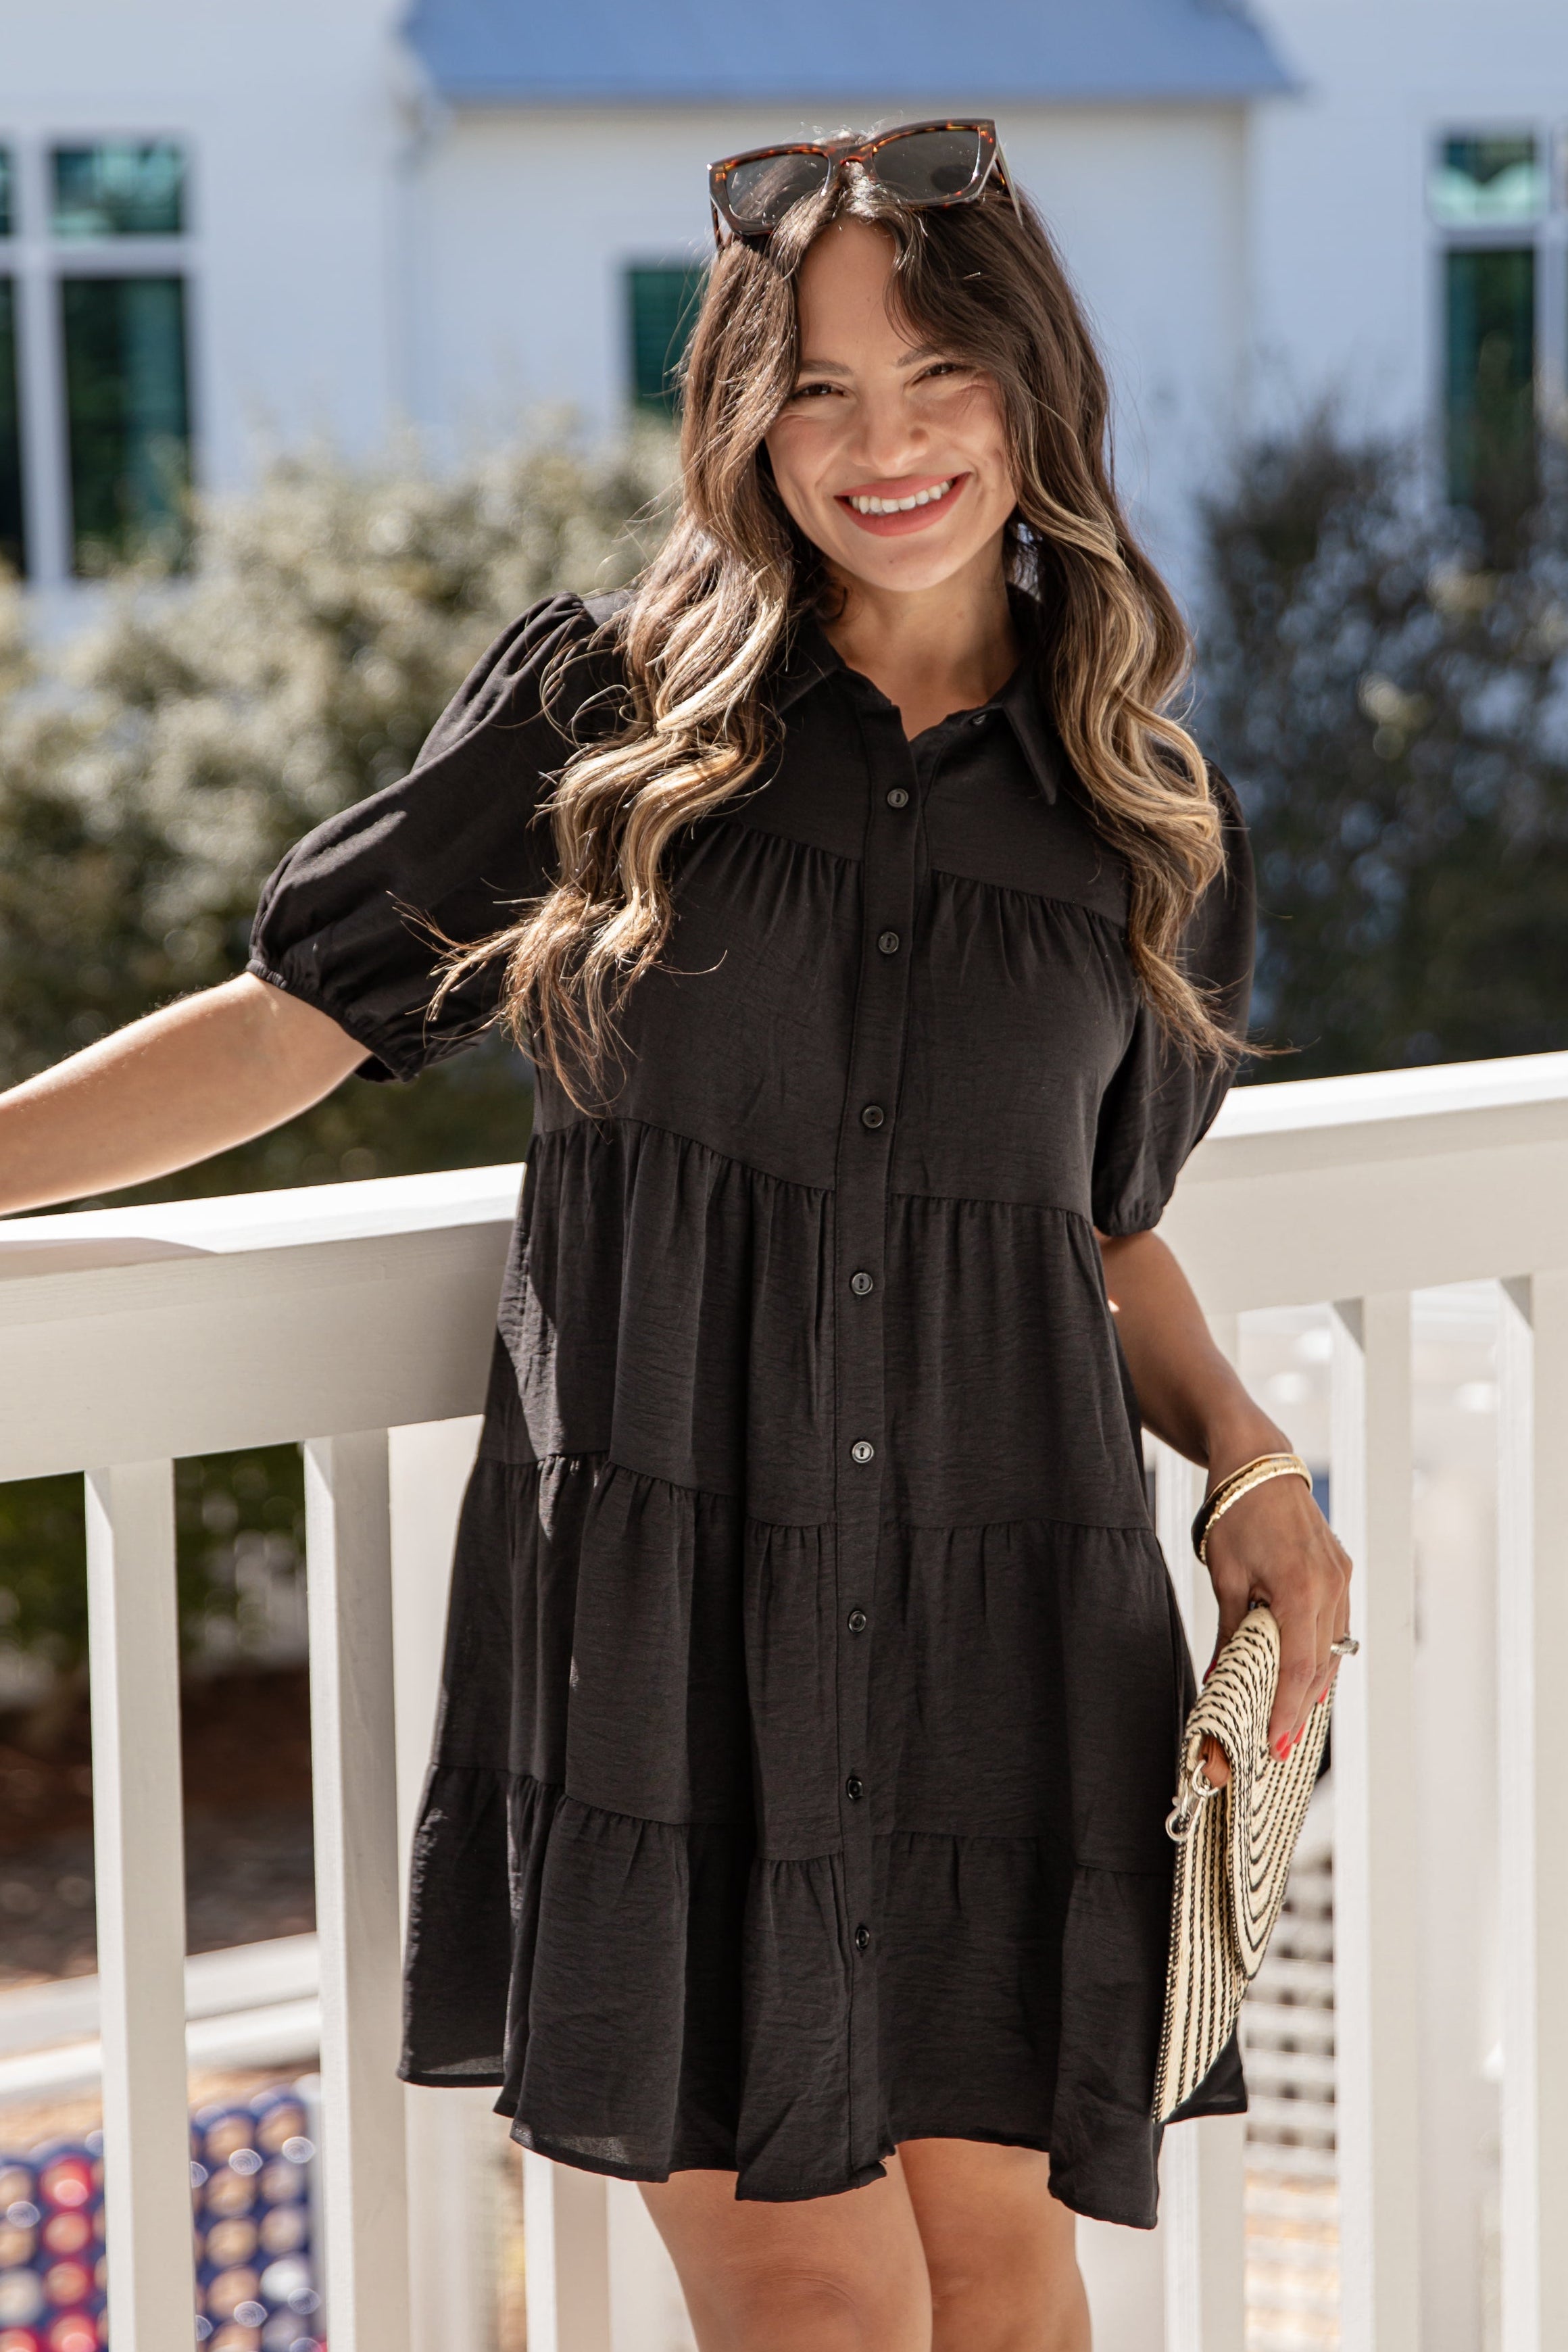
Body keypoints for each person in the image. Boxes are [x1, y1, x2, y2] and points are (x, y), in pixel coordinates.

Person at [0, 122, 1351, 2352]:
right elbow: (292, 1027)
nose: (885, 441)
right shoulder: (614, 717)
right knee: (811, 2302)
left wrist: (1257, 1464)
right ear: (742, 419)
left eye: (938, 373)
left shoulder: (1145, 805)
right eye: (815, 387)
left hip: (1001, 1622)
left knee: (1006, 2291)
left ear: (1037, 393)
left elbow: (1096, 1235)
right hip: (672, 1634)